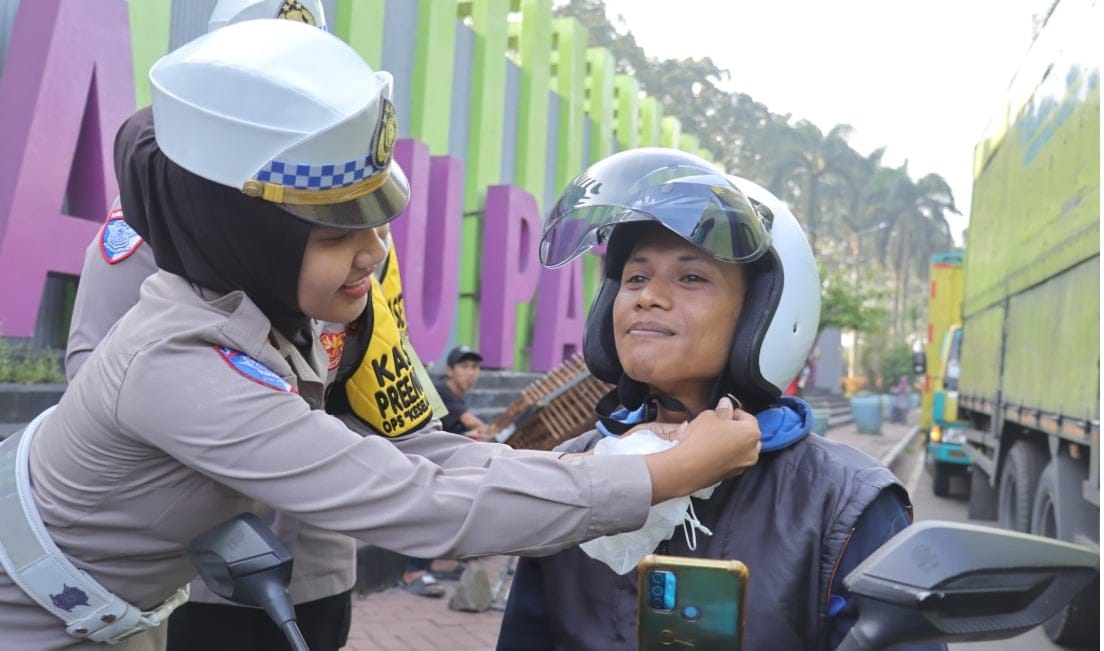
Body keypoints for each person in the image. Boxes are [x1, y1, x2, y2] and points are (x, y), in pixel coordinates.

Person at [0, 23, 762, 650]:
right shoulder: (181, 362)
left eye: (375, 224)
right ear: (245, 231)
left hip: (106, 608)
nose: (372, 255)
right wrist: (662, 477)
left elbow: (410, 449)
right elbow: (416, 499)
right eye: (337, 233)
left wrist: (616, 459)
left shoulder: (264, 323)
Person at [496, 148, 944, 650]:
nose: (647, 296)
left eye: (691, 277)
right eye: (636, 277)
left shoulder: (844, 502)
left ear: (762, 313)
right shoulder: (575, 472)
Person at [62, 2, 378, 649]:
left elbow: (380, 377)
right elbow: (93, 373)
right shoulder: (160, 208)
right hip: (201, 563)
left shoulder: (355, 216)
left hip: (319, 550)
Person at [434, 345, 490, 438]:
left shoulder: (457, 395)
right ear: (449, 370)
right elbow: (472, 423)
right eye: (464, 367)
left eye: (474, 367)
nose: (470, 373)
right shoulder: (441, 390)